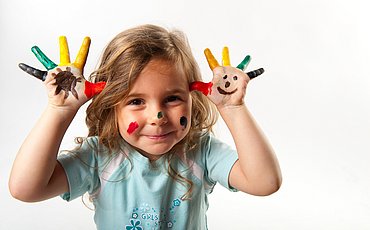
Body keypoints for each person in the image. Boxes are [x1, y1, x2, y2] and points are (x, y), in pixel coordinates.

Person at [9, 24, 282, 229]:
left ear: (192, 96)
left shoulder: (201, 152)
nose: (158, 115)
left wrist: (233, 109)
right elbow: (25, 188)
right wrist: (59, 111)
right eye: (137, 101)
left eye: (172, 98)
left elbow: (265, 182)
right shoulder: (99, 158)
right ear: (112, 106)